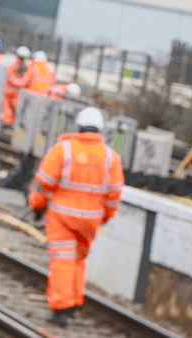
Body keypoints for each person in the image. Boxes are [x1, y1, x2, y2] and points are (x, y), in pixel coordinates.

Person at [28, 107, 123, 326]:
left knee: (63, 259)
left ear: (78, 126)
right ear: (100, 130)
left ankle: (61, 308)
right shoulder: (110, 157)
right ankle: (74, 300)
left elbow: (43, 182)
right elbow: (114, 194)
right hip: (91, 220)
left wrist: (36, 205)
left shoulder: (63, 150)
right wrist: (105, 217)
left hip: (63, 217)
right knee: (79, 259)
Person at [1, 45, 32, 125]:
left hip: (17, 92)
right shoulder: (12, 65)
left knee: (17, 108)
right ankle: (6, 123)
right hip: (9, 91)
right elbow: (9, 77)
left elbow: (26, 79)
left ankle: (13, 124)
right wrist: (19, 83)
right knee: (7, 108)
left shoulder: (26, 67)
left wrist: (20, 84)